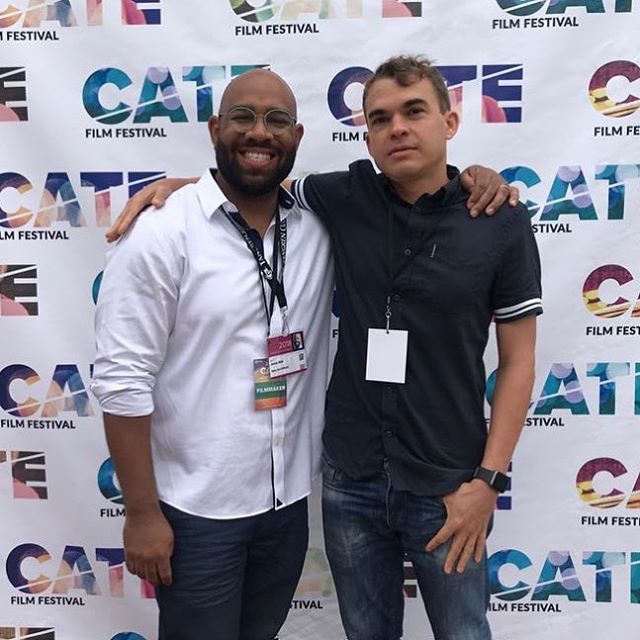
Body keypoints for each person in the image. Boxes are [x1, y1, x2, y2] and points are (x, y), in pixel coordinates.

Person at [102, 57, 537, 640]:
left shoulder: (496, 217)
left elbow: (517, 363)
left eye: (414, 112)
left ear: (450, 122)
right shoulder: (345, 196)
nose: (398, 128)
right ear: (367, 133)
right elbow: (251, 179)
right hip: (338, 482)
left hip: (444, 484)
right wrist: (183, 189)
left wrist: (488, 480)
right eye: (380, 118)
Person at [91, 69, 335, 640]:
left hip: (286, 503)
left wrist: (473, 176)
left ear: (296, 136)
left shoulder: (318, 226)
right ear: (214, 129)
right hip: (197, 512)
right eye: (242, 118)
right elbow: (123, 381)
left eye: (276, 120)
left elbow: (410, 197)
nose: (259, 133)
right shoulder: (162, 233)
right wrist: (142, 514)